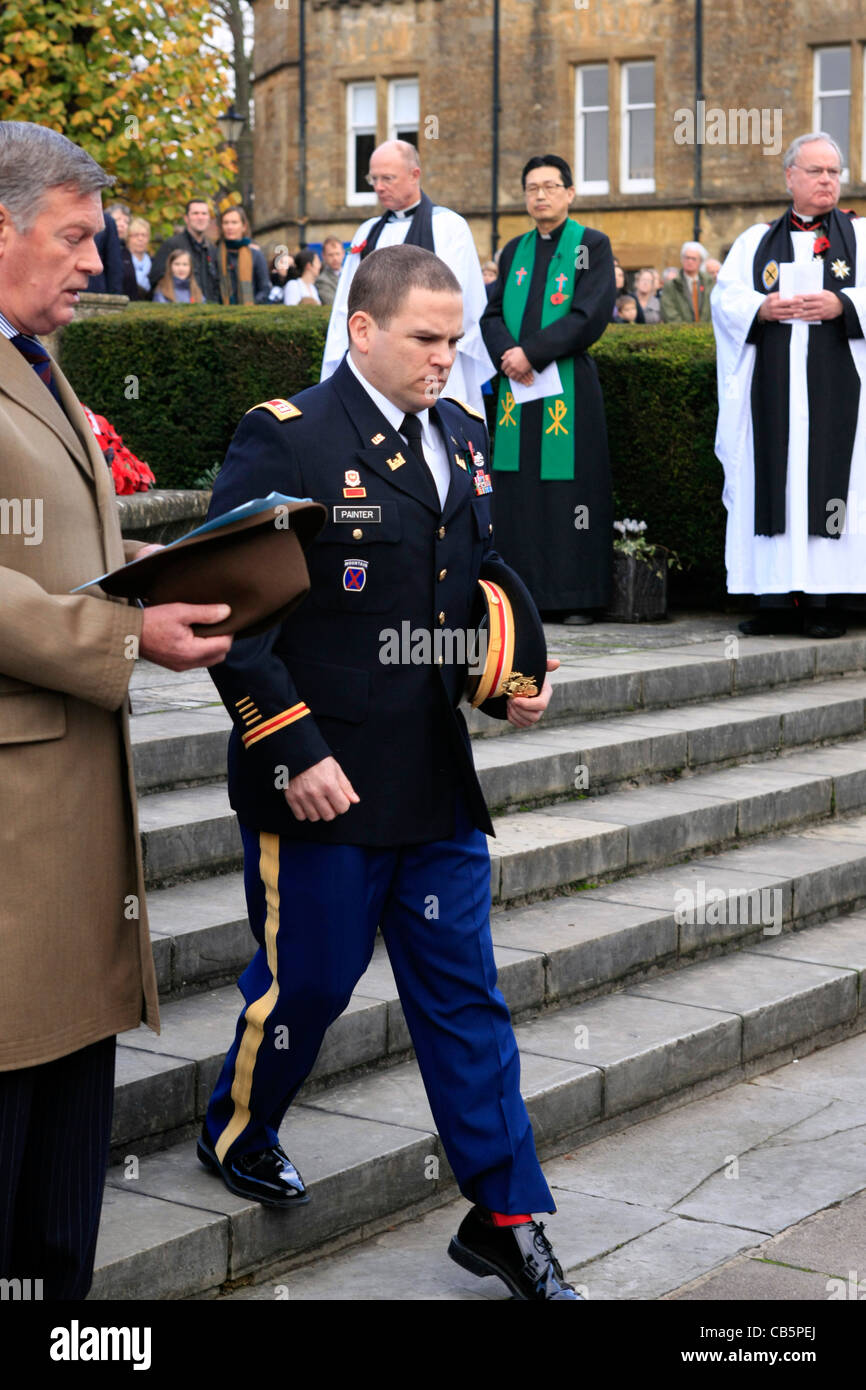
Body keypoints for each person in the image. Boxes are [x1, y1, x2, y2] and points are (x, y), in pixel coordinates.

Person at [197, 242, 578, 1301]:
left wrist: (510, 672)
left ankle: (507, 1215)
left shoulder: (461, 428)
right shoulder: (289, 439)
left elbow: (469, 578)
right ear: (361, 330)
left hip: (430, 779)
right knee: (307, 986)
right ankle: (237, 1127)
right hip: (317, 777)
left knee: (464, 1000)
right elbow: (232, 615)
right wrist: (289, 746)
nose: (445, 359)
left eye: (455, 339)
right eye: (425, 338)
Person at [0, 119, 233, 1300]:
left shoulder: (38, 357)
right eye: (75, 238)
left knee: (58, 1201)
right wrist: (124, 629)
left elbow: (35, 538)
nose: (97, 263)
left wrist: (145, 563)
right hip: (14, 833)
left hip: (68, 828)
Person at [712, 131, 866, 639]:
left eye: (834, 173)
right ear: (790, 177)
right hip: (772, 395)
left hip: (840, 390)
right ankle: (774, 597)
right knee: (774, 481)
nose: (827, 181)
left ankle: (826, 601)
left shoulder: (860, 239)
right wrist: (762, 306)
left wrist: (843, 305)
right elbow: (724, 298)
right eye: (816, 171)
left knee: (830, 481)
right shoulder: (756, 241)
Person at [480, 153, 616, 624]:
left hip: (567, 390)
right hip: (517, 392)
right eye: (532, 187)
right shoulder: (513, 250)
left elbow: (589, 314)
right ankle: (522, 594)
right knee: (519, 492)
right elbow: (492, 313)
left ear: (570, 193)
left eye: (550, 186)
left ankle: (575, 594)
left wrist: (530, 354)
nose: (540, 195)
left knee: (568, 491)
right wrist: (507, 355)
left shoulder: (591, 246)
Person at [320, 140, 493, 413]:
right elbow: (346, 306)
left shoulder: (449, 227)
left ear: (415, 175)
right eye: (373, 178)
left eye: (387, 178)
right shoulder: (366, 232)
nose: (378, 186)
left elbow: (464, 304)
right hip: (376, 366)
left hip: (431, 358)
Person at [149, 196, 220, 303]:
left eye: (204, 214)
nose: (200, 217)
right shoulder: (172, 245)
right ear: (186, 218)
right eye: (195, 213)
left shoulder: (211, 250)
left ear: (209, 219)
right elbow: (156, 279)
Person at [217, 204, 271, 305]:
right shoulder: (216, 254)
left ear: (244, 226)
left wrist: (250, 306)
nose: (229, 227)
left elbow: (265, 288)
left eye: (234, 222)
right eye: (226, 223)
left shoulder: (255, 255)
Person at [661, 241, 713, 322]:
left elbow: (713, 309)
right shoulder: (672, 285)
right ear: (682, 259)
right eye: (687, 258)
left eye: (694, 259)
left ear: (700, 262)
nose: (690, 261)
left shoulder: (709, 283)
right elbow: (669, 312)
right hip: (681, 332)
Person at [315, 235, 344, 307]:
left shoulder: (351, 273)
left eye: (337, 254)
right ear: (323, 256)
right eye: (330, 255)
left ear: (343, 254)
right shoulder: (321, 280)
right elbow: (334, 304)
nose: (335, 258)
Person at [127, 215, 152, 297]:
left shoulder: (153, 262)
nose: (140, 239)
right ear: (128, 238)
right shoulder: (122, 261)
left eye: (144, 235)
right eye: (136, 235)